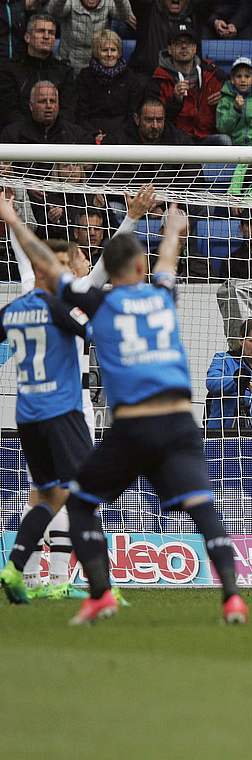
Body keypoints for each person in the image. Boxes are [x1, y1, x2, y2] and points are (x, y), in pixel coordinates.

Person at [0, 192, 247, 625]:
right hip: (167, 418)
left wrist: (11, 220)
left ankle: (87, 589)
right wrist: (172, 230)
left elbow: (42, 266)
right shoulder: (161, 296)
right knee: (202, 504)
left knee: (71, 500)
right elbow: (166, 264)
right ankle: (231, 596)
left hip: (92, 419)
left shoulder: (82, 301)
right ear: (139, 268)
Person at [0, 237, 99, 604]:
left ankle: (17, 566)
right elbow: (91, 331)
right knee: (79, 493)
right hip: (63, 410)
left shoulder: (14, 309)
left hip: (27, 414)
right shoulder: (59, 306)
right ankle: (94, 584)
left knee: (45, 495)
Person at [150, 22, 231, 145]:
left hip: (205, 136)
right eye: (178, 43)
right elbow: (154, 120)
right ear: (170, 49)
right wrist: (175, 100)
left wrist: (226, 95)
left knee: (224, 141)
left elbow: (239, 87)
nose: (183, 46)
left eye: (188, 42)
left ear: (195, 49)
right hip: (175, 140)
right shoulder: (158, 78)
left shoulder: (212, 73)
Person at [0, 13, 74, 131]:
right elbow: (8, 110)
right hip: (20, 137)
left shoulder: (64, 71)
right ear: (27, 37)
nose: (46, 36)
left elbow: (68, 111)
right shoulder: (9, 70)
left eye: (51, 33)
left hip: (56, 137)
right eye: (41, 31)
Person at [74, 29, 150, 140]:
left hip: (123, 136)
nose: (109, 54)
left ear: (119, 53)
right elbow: (81, 113)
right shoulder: (85, 77)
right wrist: (93, 133)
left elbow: (132, 114)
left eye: (113, 50)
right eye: (105, 50)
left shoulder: (131, 78)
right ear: (96, 52)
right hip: (90, 136)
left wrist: (115, 137)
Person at [215, 57, 252, 146]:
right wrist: (235, 110)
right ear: (232, 79)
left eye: (247, 76)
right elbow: (222, 129)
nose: (243, 80)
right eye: (238, 76)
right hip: (234, 148)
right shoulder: (225, 100)